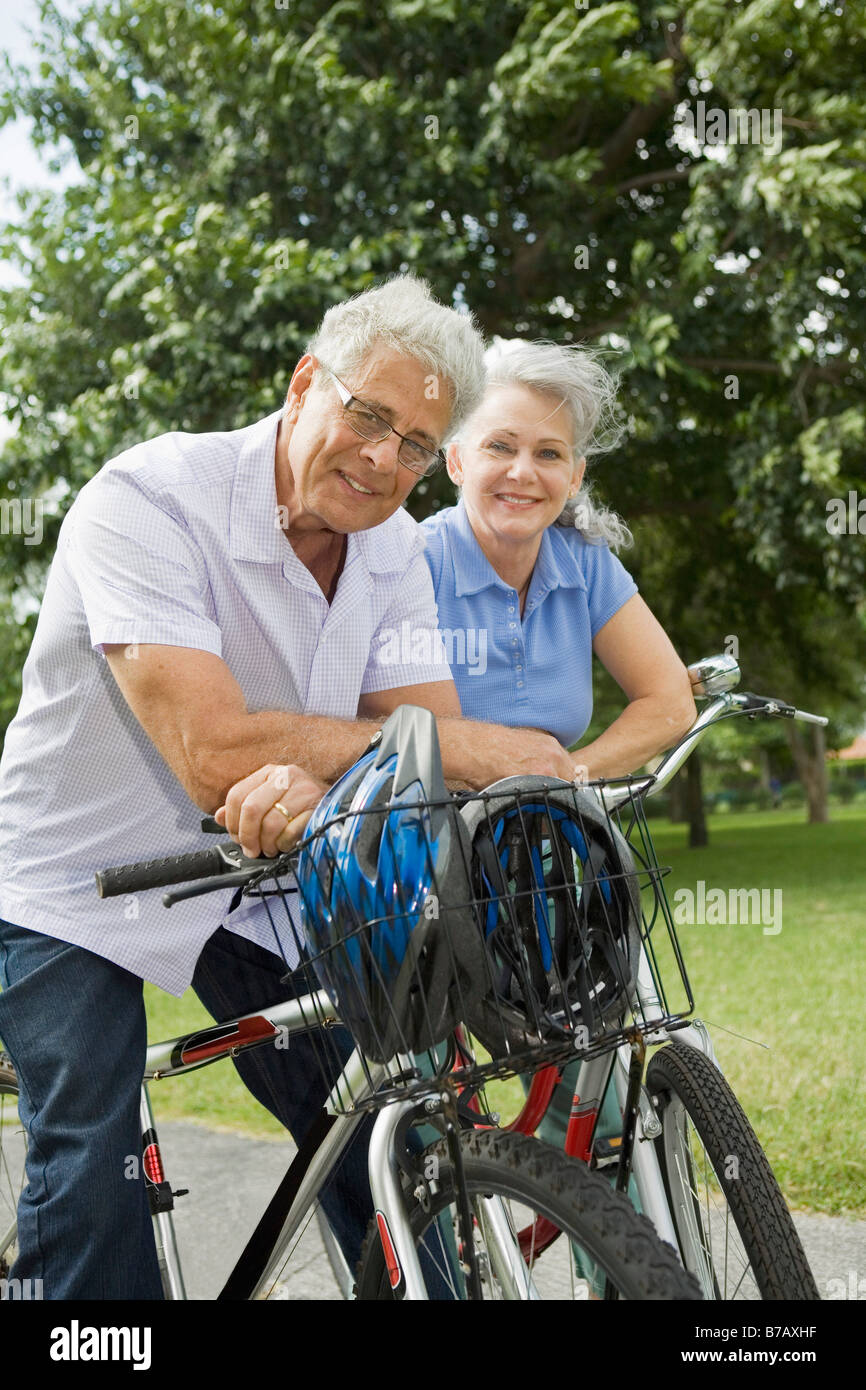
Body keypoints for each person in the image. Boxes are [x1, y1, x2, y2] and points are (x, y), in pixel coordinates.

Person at [0, 279, 583, 1299]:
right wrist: (425, 748)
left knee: (369, 1111)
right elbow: (213, 751)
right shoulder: (144, 501)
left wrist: (393, 763)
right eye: (368, 417)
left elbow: (427, 755)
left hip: (264, 868)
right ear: (306, 382)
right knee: (89, 1143)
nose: (383, 460)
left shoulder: (394, 547)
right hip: (72, 874)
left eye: (415, 443)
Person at [419, 338, 696, 1151]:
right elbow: (386, 727)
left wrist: (564, 775)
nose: (523, 472)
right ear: (456, 456)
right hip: (421, 874)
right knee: (435, 1123)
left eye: (549, 453)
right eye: (500, 446)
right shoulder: (409, 562)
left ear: (574, 476)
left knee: (599, 1110)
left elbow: (667, 699)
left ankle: (618, 1266)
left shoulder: (585, 565)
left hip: (545, 861)